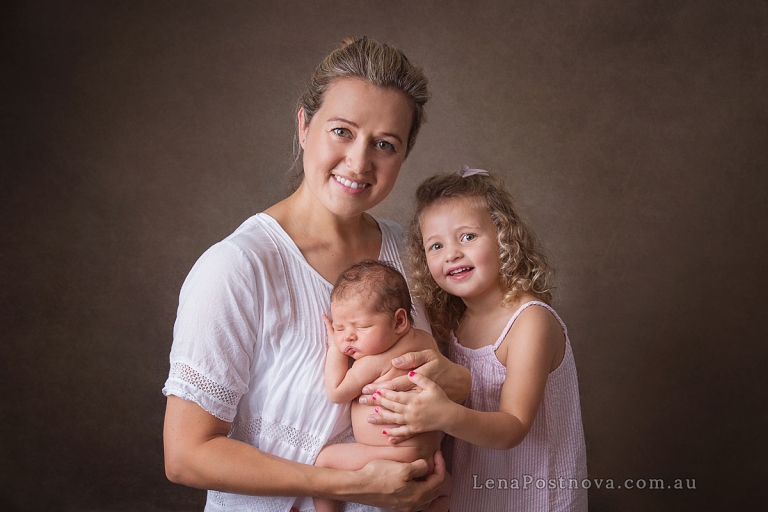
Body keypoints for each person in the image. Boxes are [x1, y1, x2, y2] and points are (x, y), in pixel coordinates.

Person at [161, 37, 471, 512]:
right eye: (342, 131)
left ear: (403, 156)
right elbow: (185, 456)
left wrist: (452, 382)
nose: (359, 162)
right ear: (305, 125)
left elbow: (476, 376)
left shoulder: (414, 255)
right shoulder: (238, 267)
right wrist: (349, 484)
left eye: (385, 144)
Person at [367, 167, 588, 511]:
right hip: (475, 494)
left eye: (467, 237)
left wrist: (442, 414)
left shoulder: (530, 321)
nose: (452, 253)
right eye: (436, 245)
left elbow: (512, 427)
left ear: (503, 237)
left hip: (533, 495)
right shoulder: (454, 321)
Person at [313, 260, 450, 512]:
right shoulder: (425, 342)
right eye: (340, 327)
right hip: (430, 456)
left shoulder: (372, 363)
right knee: (442, 497)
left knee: (323, 462)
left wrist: (335, 349)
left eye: (361, 327)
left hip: (391, 456)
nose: (347, 336)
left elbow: (336, 392)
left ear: (399, 322)